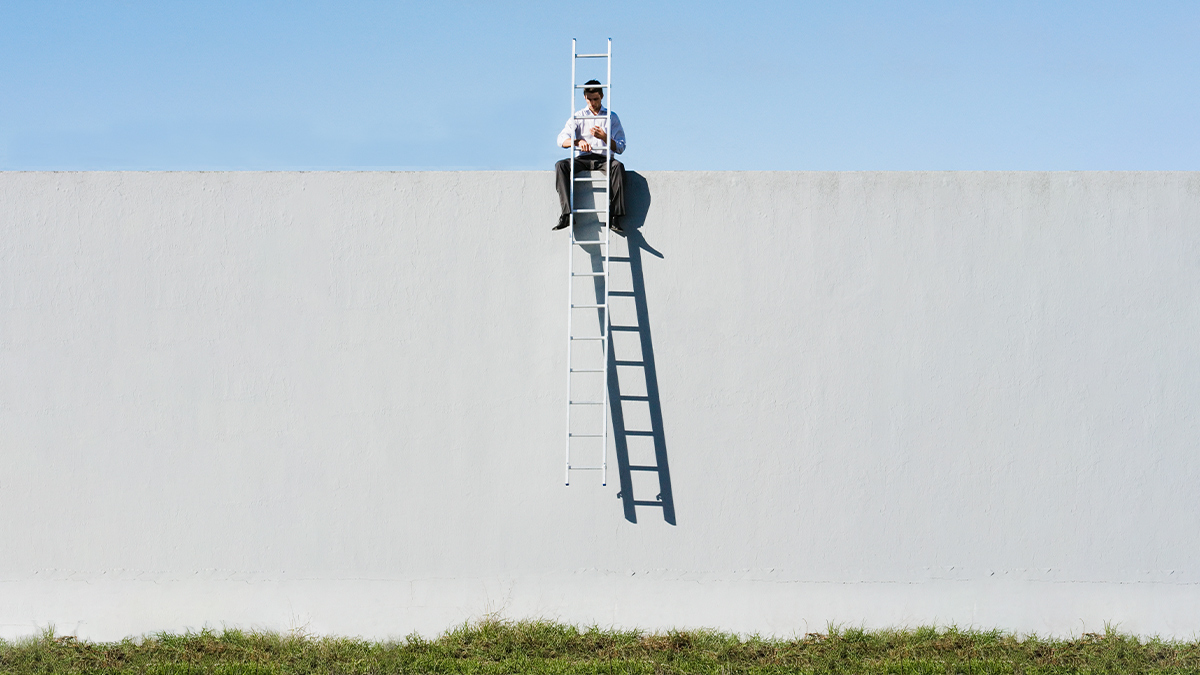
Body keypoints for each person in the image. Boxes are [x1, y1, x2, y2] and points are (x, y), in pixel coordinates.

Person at [554, 80, 627, 234]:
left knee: (618, 167)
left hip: (604, 158)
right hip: (583, 158)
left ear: (602, 96)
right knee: (560, 165)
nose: (593, 103)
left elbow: (621, 147)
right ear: (585, 98)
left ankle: (614, 216)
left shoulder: (611, 117)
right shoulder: (578, 116)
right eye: (589, 99)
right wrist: (577, 141)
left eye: (596, 99)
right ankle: (567, 214)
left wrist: (605, 137)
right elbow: (560, 140)